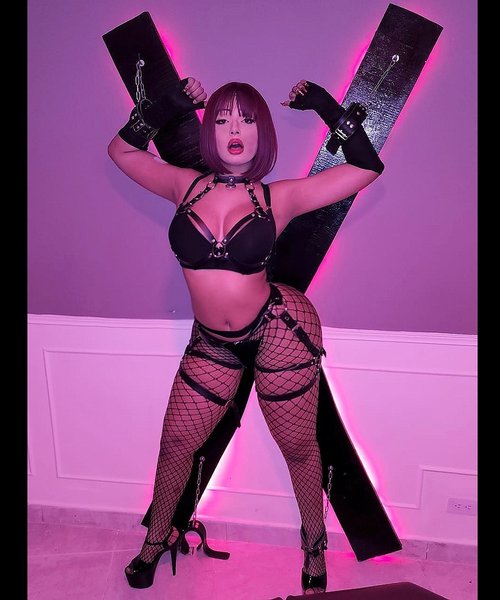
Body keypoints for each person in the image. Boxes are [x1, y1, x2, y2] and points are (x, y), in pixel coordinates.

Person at [108, 76, 384, 595]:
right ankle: (158, 537)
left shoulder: (280, 197)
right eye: (222, 119)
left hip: (279, 330)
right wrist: (166, 105)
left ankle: (313, 547)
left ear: (263, 133)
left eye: (247, 119)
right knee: (176, 443)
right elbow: (121, 151)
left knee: (298, 447)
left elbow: (367, 167)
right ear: (210, 131)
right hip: (212, 342)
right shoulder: (184, 185)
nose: (234, 129)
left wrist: (326, 106)